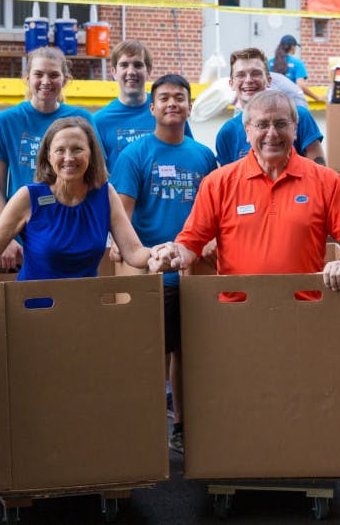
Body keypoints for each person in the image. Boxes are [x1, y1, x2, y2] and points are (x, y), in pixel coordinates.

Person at [150, 89, 340, 295]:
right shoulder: (218, 183)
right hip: (238, 312)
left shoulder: (326, 180)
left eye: (280, 123)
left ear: (295, 129)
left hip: (304, 312)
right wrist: (173, 254)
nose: (272, 133)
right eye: (262, 125)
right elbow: (190, 244)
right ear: (247, 131)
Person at [110, 74, 218, 454]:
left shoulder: (203, 156)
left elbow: (215, 213)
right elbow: (120, 218)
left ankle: (182, 426)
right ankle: (145, 429)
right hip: (151, 274)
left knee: (187, 354)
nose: (173, 103)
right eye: (165, 98)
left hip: (195, 277)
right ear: (152, 108)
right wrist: (136, 255)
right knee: (151, 353)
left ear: (190, 107)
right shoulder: (135, 155)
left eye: (180, 98)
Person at [0, 116, 153, 290]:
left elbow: (134, 252)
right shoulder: (29, 197)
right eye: (60, 150)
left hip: (86, 310)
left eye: (77, 149)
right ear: (48, 156)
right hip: (34, 309)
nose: (69, 158)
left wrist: (160, 253)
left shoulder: (105, 194)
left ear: (91, 154)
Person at [0, 46, 95, 270]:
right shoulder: (5, 121)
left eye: (54, 75)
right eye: (38, 74)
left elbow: (95, 180)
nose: (46, 81)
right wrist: (5, 237)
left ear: (66, 80)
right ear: (27, 78)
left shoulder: (82, 120)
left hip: (71, 233)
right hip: (23, 237)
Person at [215, 47, 325, 166]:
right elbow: (227, 180)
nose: (248, 80)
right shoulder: (227, 132)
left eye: (256, 73)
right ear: (231, 83)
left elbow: (319, 173)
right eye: (241, 75)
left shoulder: (299, 116)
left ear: (268, 80)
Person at [93, 39, 192, 169]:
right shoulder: (99, 121)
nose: (131, 72)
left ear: (149, 71)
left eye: (138, 65)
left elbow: (187, 153)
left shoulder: (167, 110)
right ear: (114, 72)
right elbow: (99, 173)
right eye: (124, 65)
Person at [270, 34, 323, 104]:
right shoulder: (297, 63)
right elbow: (301, 85)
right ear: (292, 47)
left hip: (272, 102)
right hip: (291, 103)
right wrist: (317, 98)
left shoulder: (269, 62)